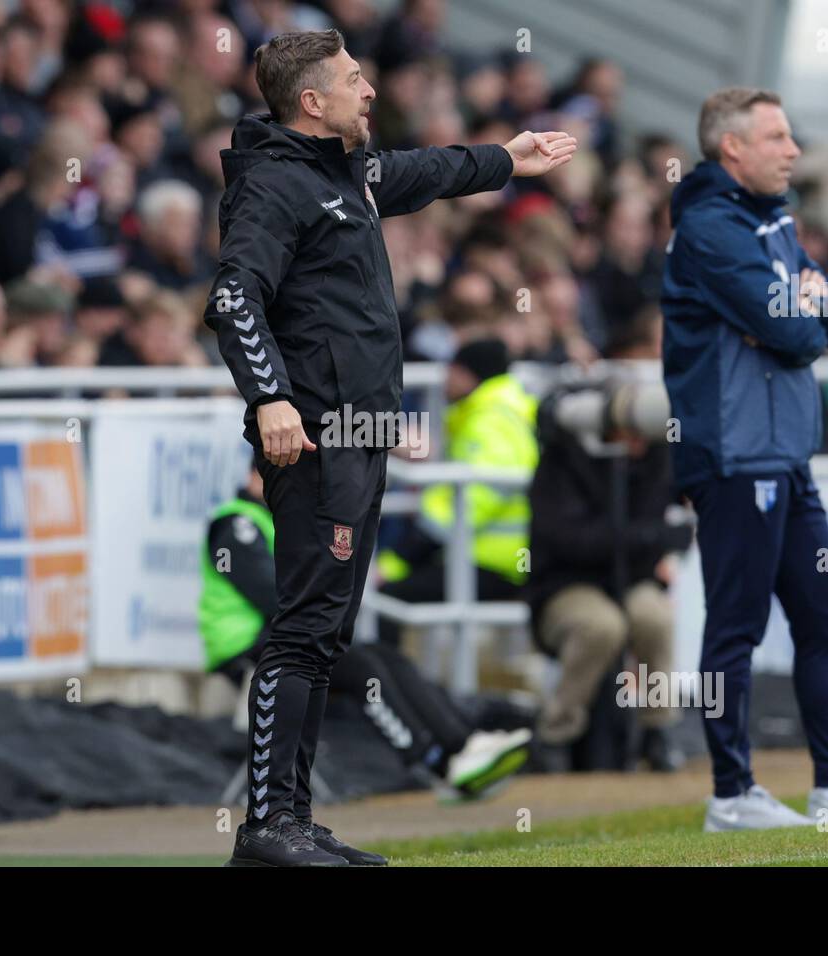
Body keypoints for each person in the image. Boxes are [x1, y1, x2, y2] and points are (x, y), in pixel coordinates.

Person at [202, 28, 574, 866]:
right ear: (312, 101)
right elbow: (234, 297)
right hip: (315, 444)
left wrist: (507, 158)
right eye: (354, 79)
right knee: (302, 631)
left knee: (326, 632)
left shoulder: (351, 177)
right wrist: (271, 400)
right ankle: (268, 828)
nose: (370, 90)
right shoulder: (275, 185)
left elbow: (431, 171)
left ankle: (292, 821)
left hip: (357, 441)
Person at [661, 87, 828, 831]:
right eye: (777, 136)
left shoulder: (772, 219)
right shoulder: (712, 228)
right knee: (738, 625)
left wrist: (811, 305)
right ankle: (730, 794)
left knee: (825, 610)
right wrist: (806, 310)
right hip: (734, 454)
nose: (793, 150)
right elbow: (802, 336)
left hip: (784, 453)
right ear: (732, 149)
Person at [198, 468, 532, 823]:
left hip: (282, 636)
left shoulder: (280, 522)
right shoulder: (238, 523)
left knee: (383, 655)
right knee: (360, 667)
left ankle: (461, 746)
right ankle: (434, 761)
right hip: (246, 646)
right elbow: (272, 597)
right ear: (254, 476)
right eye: (281, 477)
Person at [527, 385, 692, 770]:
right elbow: (569, 541)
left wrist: (646, 538)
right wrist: (649, 536)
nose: (635, 440)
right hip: (565, 586)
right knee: (601, 626)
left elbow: (664, 524)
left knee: (654, 617)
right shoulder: (561, 464)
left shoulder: (656, 460)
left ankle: (657, 729)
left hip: (633, 580)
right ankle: (557, 732)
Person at [376, 338, 538, 644]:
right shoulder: (493, 412)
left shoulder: (492, 421)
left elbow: (463, 510)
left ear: (468, 375)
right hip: (482, 556)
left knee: (388, 601)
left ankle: (387, 690)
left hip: (494, 563)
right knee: (389, 596)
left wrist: (396, 561)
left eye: (453, 370)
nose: (446, 380)